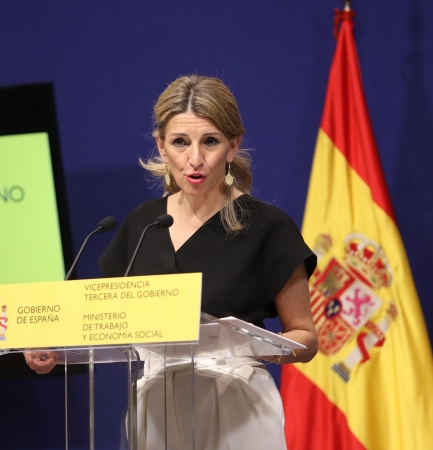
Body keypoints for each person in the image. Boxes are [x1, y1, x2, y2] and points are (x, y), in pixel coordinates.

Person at [24, 75, 318, 450]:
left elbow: (305, 338)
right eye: (181, 142)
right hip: (156, 407)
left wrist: (243, 344)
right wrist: (58, 350)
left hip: (236, 405)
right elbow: (111, 328)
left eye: (210, 141)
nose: (195, 159)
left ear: (233, 146)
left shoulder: (267, 227)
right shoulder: (141, 225)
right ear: (162, 147)